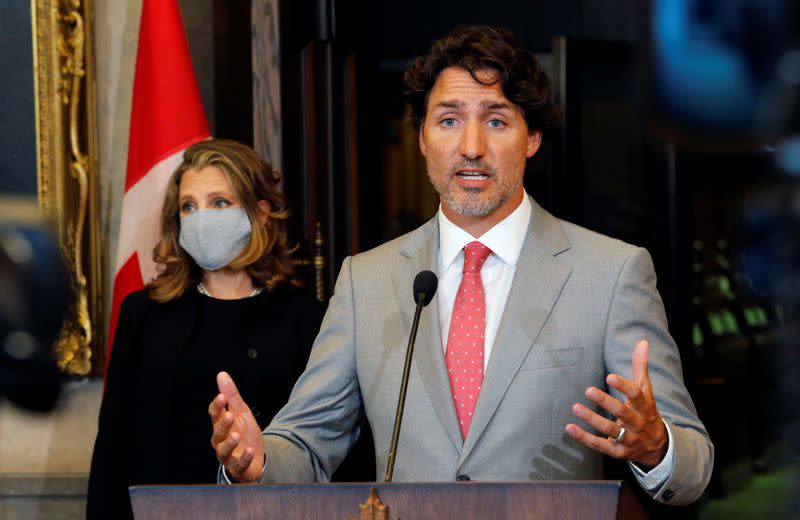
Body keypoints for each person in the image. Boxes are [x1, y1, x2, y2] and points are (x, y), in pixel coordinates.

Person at [210, 26, 713, 505]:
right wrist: (254, 461)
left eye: (496, 120)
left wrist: (657, 447)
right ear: (423, 138)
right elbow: (307, 442)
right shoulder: (366, 280)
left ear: (531, 138)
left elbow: (694, 464)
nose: (471, 147)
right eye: (449, 120)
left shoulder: (612, 273)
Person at [87, 139, 324, 519]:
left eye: (219, 203)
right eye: (189, 207)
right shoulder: (144, 314)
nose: (201, 218)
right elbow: (113, 448)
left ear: (260, 212)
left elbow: (325, 443)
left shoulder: (305, 318)